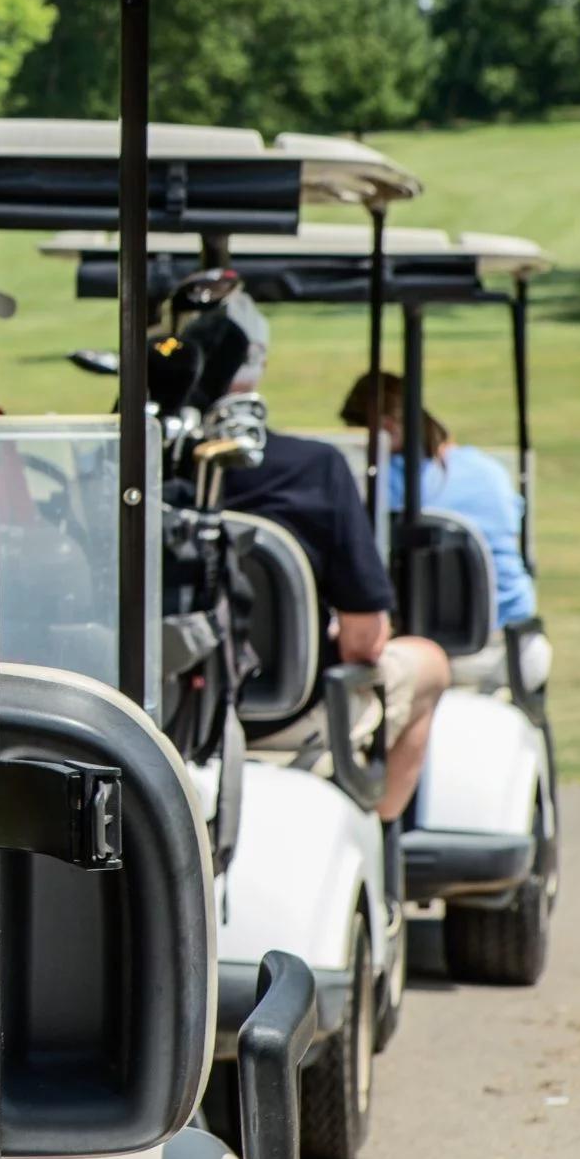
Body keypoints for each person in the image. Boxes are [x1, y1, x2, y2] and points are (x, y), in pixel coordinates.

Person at [197, 297, 447, 820]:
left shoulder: (136, 462)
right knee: (429, 662)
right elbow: (365, 639)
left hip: (167, 708)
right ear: (258, 364)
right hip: (287, 708)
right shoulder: (315, 469)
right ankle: (381, 832)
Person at [340, 370, 536, 628]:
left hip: (439, 633)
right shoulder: (491, 471)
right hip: (517, 633)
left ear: (385, 428)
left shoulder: (385, 483)